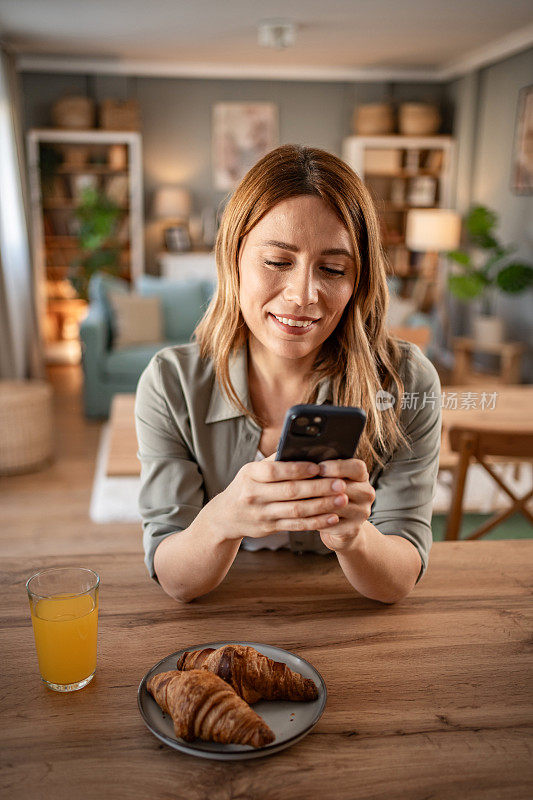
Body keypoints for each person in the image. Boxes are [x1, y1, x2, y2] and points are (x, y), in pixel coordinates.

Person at [135, 144, 441, 605]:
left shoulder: (406, 383)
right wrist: (224, 519)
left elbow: (399, 580)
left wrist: (354, 539)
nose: (303, 295)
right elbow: (176, 579)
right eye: (277, 262)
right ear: (233, 258)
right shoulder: (170, 382)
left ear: (358, 280)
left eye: (333, 268)